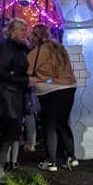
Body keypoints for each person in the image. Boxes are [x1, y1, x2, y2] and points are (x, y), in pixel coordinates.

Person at [0, 18, 32, 183]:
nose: (24, 32)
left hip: (14, 95)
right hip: (7, 95)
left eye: (25, 29)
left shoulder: (21, 48)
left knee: (13, 131)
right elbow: (0, 72)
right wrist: (24, 81)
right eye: (20, 29)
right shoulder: (6, 48)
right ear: (11, 30)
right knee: (12, 130)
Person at [28, 24, 78, 172]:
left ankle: (51, 162)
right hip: (69, 87)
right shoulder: (60, 47)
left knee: (49, 125)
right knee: (62, 122)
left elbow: (27, 71)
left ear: (37, 36)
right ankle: (72, 158)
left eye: (32, 34)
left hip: (49, 90)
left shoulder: (36, 52)